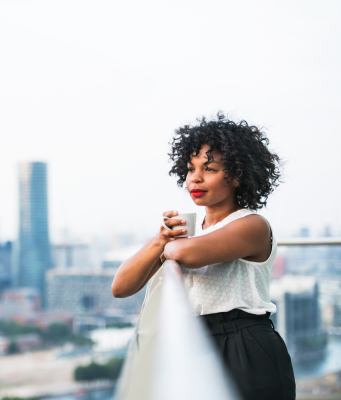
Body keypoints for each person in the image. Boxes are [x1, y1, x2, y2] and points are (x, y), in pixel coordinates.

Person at [111, 113, 295, 400]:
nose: (195, 178)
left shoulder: (252, 225)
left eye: (208, 169)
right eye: (190, 168)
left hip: (245, 346)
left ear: (235, 175)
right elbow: (120, 287)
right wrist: (160, 239)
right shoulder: (191, 227)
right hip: (196, 342)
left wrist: (170, 244)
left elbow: (183, 252)